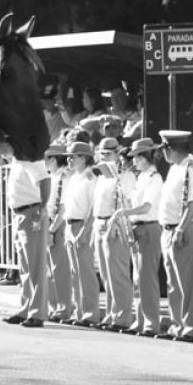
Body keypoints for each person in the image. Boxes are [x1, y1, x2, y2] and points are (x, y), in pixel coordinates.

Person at [156, 130, 193, 342]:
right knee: (174, 283)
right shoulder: (175, 168)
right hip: (169, 229)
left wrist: (181, 229)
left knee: (188, 282)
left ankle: (190, 327)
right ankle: (178, 324)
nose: (164, 153)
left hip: (183, 229)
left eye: (165, 149)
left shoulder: (191, 168)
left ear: (170, 148)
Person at [111, 138, 163, 337]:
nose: (134, 161)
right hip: (137, 227)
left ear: (144, 157)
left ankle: (151, 322)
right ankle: (141, 320)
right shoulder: (141, 177)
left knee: (147, 278)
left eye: (137, 157)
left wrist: (122, 213)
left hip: (148, 227)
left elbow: (146, 207)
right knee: (138, 278)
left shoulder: (154, 178)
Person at [0, 140, 50, 328]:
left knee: (35, 266)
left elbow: (45, 180)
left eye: (1, 143)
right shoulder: (17, 161)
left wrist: (42, 209)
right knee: (25, 267)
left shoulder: (30, 159)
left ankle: (37, 313)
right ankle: (25, 309)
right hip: (20, 213)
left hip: (32, 211)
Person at [90, 137, 136, 332]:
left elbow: (128, 202)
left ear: (118, 154)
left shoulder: (125, 176)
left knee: (118, 274)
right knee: (107, 275)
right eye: (101, 153)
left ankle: (122, 316)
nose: (104, 157)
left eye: (108, 153)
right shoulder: (102, 176)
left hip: (115, 223)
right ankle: (111, 313)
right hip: (100, 222)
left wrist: (117, 222)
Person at [62, 141, 100, 327]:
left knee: (85, 272)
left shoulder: (91, 178)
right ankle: (79, 311)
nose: (68, 159)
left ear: (84, 157)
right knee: (75, 273)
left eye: (73, 156)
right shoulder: (74, 177)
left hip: (82, 224)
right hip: (70, 225)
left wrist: (85, 231)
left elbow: (93, 208)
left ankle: (90, 313)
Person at [44, 143, 73, 322]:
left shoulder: (64, 178)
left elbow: (63, 207)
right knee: (50, 270)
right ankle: (53, 306)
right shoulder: (53, 176)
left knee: (60, 269)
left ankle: (63, 308)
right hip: (49, 223)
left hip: (57, 225)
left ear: (53, 159)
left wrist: (52, 229)